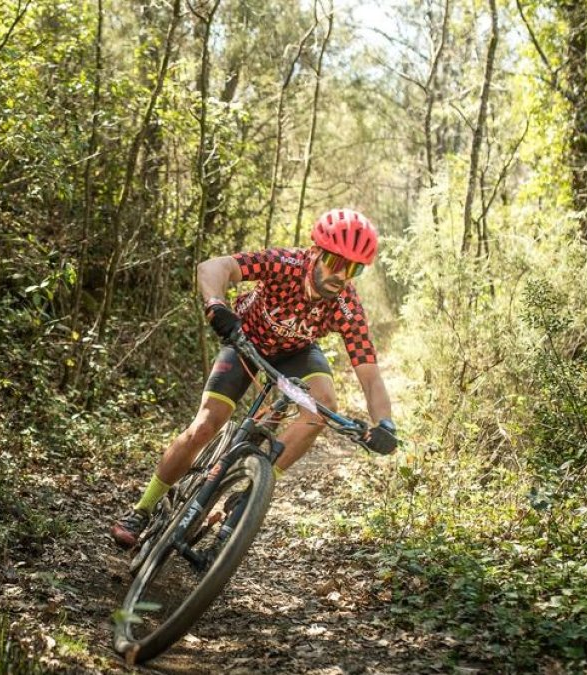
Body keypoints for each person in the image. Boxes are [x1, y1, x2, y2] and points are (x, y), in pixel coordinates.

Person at [111, 208, 399, 548]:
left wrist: (385, 424)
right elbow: (214, 267)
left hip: (296, 353)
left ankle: (254, 490)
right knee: (206, 424)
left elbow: (369, 374)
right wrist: (216, 304)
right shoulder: (285, 263)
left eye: (353, 269)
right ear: (315, 252)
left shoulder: (346, 305)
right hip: (244, 341)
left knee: (323, 405)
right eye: (336, 262)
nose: (342, 275)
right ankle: (143, 509)